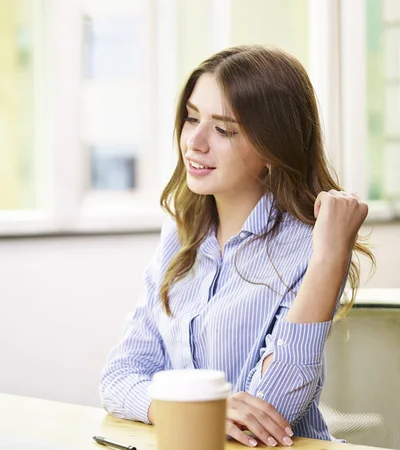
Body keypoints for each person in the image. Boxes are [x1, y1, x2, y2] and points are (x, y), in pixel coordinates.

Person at [99, 45, 374, 447]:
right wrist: (197, 409)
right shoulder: (180, 236)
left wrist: (331, 258)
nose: (194, 141)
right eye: (191, 118)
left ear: (272, 149)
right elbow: (118, 377)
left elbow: (270, 410)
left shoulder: (310, 246)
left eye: (223, 129)